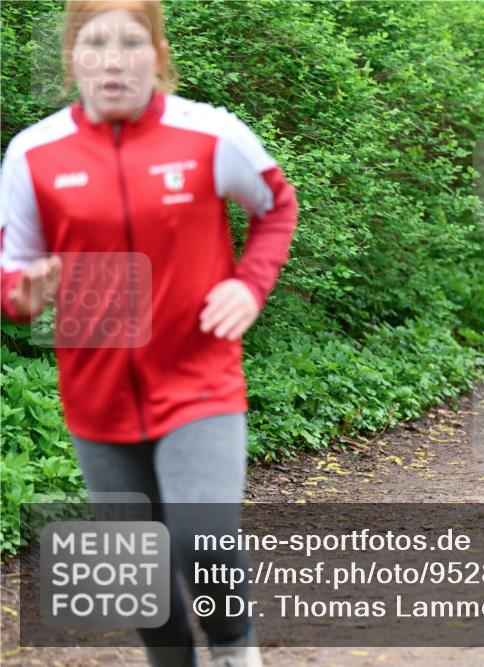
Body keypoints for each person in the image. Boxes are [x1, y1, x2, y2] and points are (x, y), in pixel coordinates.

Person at [0, 1, 297, 664]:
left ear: (158, 55)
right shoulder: (33, 154)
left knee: (200, 539)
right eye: (95, 43)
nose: (113, 60)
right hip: (97, 393)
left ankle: (233, 646)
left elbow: (277, 206)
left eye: (132, 42)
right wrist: (20, 294)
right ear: (72, 56)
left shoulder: (209, 134)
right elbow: (11, 268)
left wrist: (249, 284)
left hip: (199, 377)